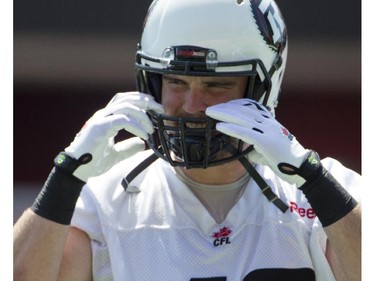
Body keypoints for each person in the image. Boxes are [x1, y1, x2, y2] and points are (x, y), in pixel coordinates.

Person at [14, 0, 361, 280]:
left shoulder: (324, 193)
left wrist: (314, 181)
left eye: (215, 85)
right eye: (175, 82)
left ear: (261, 90)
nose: (192, 106)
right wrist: (65, 178)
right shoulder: (100, 200)